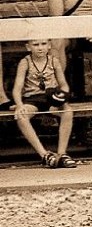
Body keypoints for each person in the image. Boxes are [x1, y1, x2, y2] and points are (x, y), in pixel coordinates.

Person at [11, 37, 77, 168]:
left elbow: (64, 85)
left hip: (50, 97)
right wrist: (19, 105)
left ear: (49, 45)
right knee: (22, 117)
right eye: (35, 44)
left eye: (43, 44)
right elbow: (17, 89)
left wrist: (61, 96)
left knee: (67, 112)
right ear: (28, 47)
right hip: (32, 98)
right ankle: (45, 155)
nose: (40, 47)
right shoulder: (25, 62)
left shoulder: (54, 61)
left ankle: (62, 154)